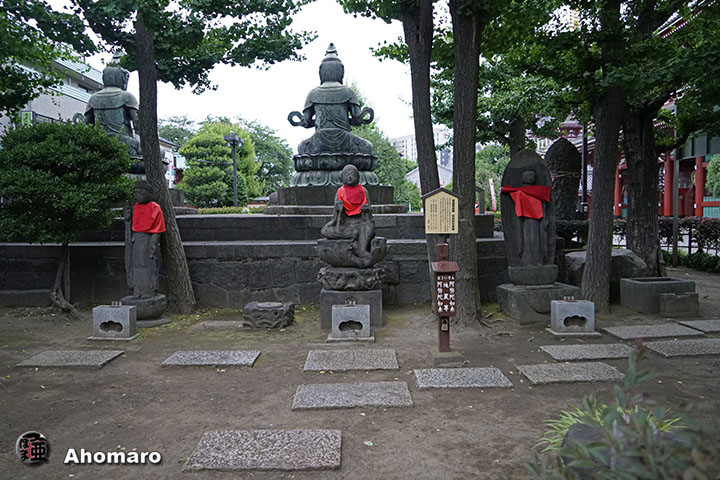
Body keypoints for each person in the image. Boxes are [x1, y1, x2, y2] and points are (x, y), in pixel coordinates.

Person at [288, 43, 374, 155]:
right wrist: (363, 116)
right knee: (367, 147)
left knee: (302, 148)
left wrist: (304, 120)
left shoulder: (313, 93)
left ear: (321, 71)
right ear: (341, 71)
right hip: (345, 140)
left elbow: (306, 122)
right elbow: (357, 120)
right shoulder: (348, 92)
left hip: (319, 140)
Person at [85, 53, 141, 158]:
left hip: (99, 144)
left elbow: (87, 125)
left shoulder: (93, 98)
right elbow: (138, 125)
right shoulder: (127, 97)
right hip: (125, 144)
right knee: (159, 153)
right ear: (122, 78)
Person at [321, 165, 376, 262]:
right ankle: (352, 236)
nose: (349, 177)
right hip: (346, 225)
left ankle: (361, 250)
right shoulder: (340, 192)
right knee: (325, 230)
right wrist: (339, 210)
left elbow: (369, 217)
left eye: (352, 174)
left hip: (360, 223)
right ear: (342, 177)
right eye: (346, 174)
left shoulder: (363, 191)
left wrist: (365, 211)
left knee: (369, 225)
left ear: (358, 177)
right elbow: (335, 219)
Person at [124, 181, 165, 297]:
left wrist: (153, 244)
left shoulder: (155, 208)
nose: (138, 196)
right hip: (136, 239)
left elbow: (158, 228)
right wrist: (127, 220)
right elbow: (131, 224)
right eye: (136, 193)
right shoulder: (135, 207)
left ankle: (148, 289)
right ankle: (137, 289)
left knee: (147, 263)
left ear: (149, 193)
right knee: (136, 263)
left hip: (148, 239)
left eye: (141, 193)